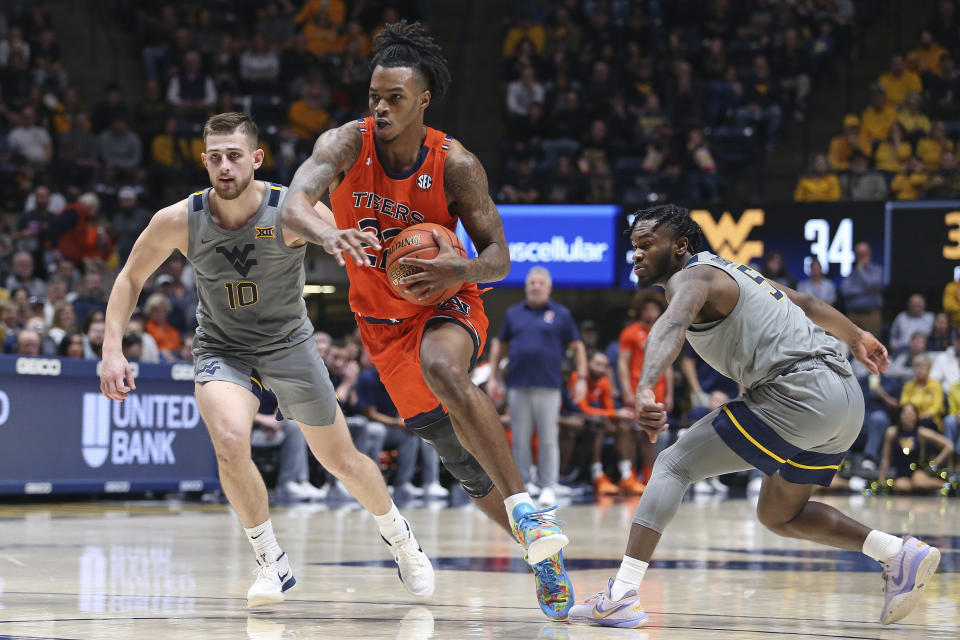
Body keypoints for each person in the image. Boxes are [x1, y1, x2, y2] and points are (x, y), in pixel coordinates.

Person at [278, 22, 572, 621]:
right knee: (460, 460)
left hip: (445, 301)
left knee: (443, 365)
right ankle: (539, 554)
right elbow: (293, 203)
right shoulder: (343, 145)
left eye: (395, 99)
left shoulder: (456, 163)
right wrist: (331, 234)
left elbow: (500, 257)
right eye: (374, 97)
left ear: (423, 101)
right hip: (381, 325)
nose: (381, 108)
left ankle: (524, 506)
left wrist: (455, 270)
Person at [99, 112, 433, 609]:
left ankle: (400, 536)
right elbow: (129, 278)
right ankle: (270, 561)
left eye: (234, 156)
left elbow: (329, 229)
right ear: (205, 162)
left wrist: (334, 236)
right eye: (215, 158)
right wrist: (111, 348)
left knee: (342, 460)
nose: (224, 166)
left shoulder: (287, 210)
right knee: (231, 441)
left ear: (256, 158)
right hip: (222, 347)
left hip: (289, 345)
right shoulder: (179, 219)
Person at [569, 204, 940, 628]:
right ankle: (897, 553)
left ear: (680, 245)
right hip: (843, 400)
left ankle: (621, 594)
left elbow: (671, 324)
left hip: (800, 394)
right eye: (633, 247)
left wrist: (643, 386)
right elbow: (805, 301)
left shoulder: (691, 278)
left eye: (646, 244)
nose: (636, 254)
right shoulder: (737, 271)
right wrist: (856, 336)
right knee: (780, 514)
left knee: (673, 463)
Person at [487, 266, 588, 507]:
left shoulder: (561, 314)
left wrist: (581, 378)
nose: (535, 286)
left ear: (549, 287)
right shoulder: (513, 314)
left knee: (548, 437)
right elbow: (500, 346)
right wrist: (492, 377)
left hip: (549, 386)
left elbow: (578, 347)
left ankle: (548, 486)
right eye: (531, 282)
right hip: (517, 385)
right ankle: (524, 484)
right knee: (520, 438)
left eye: (540, 283)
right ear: (526, 287)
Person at [877, 404, 953, 494]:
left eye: (911, 414)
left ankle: (948, 485)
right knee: (900, 486)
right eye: (905, 414)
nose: (908, 417)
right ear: (900, 415)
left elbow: (949, 446)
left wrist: (934, 464)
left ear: (916, 417)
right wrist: (881, 480)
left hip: (918, 471)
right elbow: (886, 458)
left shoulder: (921, 432)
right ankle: (917, 489)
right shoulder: (892, 432)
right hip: (901, 473)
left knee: (919, 483)